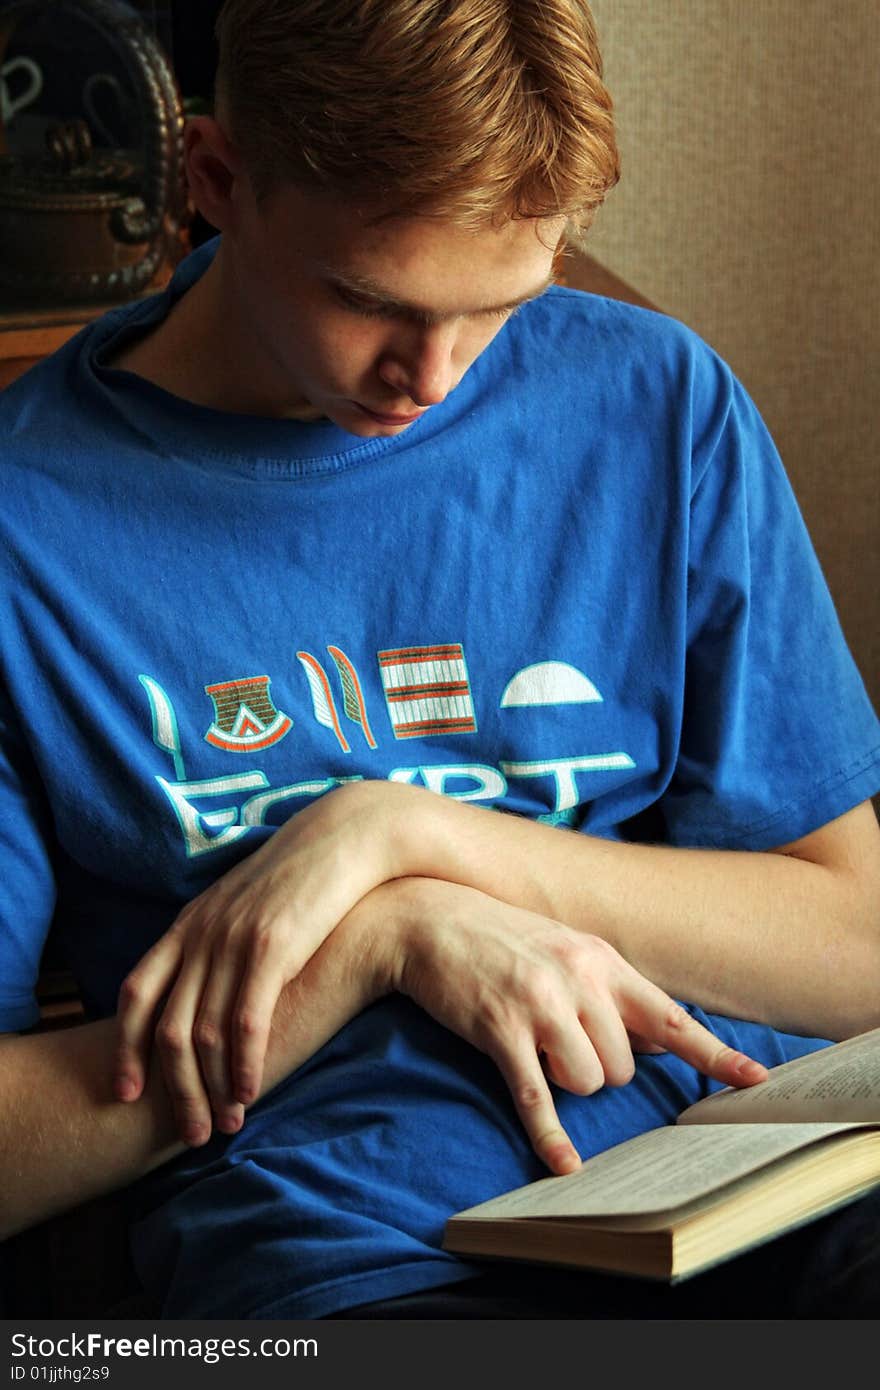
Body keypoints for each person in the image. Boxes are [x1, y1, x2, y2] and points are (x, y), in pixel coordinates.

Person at [1, 0, 878, 1320]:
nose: (436, 376)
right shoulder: (30, 524)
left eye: (500, 310)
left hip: (750, 1167)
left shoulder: (655, 402)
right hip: (352, 1242)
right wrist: (375, 940)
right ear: (220, 180)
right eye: (372, 302)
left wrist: (413, 835)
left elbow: (858, 945)